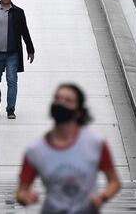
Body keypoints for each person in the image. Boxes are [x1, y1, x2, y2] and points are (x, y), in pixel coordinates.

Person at [16, 84, 121, 213]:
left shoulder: (95, 144)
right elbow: (21, 191)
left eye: (68, 100)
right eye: (57, 99)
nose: (61, 103)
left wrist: (102, 197)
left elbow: (114, 182)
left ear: (79, 112)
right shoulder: (35, 150)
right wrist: (25, 197)